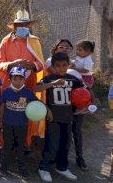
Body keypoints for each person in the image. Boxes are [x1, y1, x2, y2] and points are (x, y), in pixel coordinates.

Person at [35, 52, 93, 182]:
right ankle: (43, 168)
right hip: (53, 118)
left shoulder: (72, 79)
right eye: (58, 66)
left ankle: (62, 167)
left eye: (64, 65)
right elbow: (36, 88)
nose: (61, 68)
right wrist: (53, 83)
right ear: (53, 67)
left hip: (68, 117)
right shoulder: (49, 78)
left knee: (65, 144)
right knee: (51, 144)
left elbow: (86, 91)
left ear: (68, 65)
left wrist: (85, 105)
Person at [0, 9, 46, 147]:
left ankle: (24, 142)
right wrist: (13, 64)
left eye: (26, 25)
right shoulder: (6, 41)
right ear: (15, 27)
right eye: (19, 25)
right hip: (8, 82)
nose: (22, 28)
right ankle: (2, 143)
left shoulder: (34, 42)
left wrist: (32, 65)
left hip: (28, 83)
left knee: (25, 111)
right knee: (6, 110)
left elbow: (41, 64)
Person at [46, 39, 89, 170]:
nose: (64, 49)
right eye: (61, 47)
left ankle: (79, 157)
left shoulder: (74, 63)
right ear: (55, 48)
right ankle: (55, 160)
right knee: (59, 133)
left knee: (77, 130)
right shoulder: (50, 61)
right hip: (59, 103)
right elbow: (52, 77)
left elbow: (85, 79)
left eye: (67, 48)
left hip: (77, 100)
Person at [0, 67, 38, 179]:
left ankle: (21, 168)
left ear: (24, 80)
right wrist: (0, 121)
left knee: (20, 147)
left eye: (21, 79)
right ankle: (3, 168)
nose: (18, 81)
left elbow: (37, 104)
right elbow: (2, 107)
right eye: (15, 79)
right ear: (10, 80)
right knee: (7, 146)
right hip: (7, 124)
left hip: (22, 125)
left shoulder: (28, 92)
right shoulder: (6, 92)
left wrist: (46, 109)